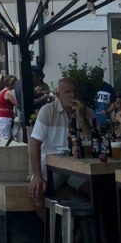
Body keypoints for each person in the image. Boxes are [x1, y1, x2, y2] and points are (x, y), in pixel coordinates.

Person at [28, 77, 92, 214]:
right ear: (58, 95)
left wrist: (81, 117)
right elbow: (34, 143)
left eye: (75, 92)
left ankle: (81, 233)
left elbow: (91, 141)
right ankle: (52, 233)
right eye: (67, 92)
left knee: (95, 190)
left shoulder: (86, 112)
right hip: (52, 164)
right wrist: (37, 175)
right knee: (38, 192)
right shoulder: (48, 111)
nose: (72, 95)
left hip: (77, 165)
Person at [0, 75, 18, 144]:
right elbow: (17, 103)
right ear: (12, 84)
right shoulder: (8, 93)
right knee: (5, 139)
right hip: (5, 118)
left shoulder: (2, 91)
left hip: (2, 117)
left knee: (6, 138)